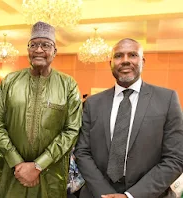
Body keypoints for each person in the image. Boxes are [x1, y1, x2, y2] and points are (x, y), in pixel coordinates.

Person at [74, 38, 183, 198]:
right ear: (110, 63)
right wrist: (106, 194)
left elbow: (175, 158)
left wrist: (131, 196)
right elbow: (82, 152)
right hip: (97, 194)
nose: (125, 61)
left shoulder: (167, 99)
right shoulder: (92, 103)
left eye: (132, 55)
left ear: (142, 61)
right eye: (118, 56)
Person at [0, 21, 82, 198]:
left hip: (51, 175)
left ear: (55, 51)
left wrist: (39, 165)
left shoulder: (68, 85)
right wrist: (17, 163)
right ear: (28, 50)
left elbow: (72, 130)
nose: (39, 50)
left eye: (45, 45)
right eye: (34, 45)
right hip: (12, 173)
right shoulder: (9, 82)